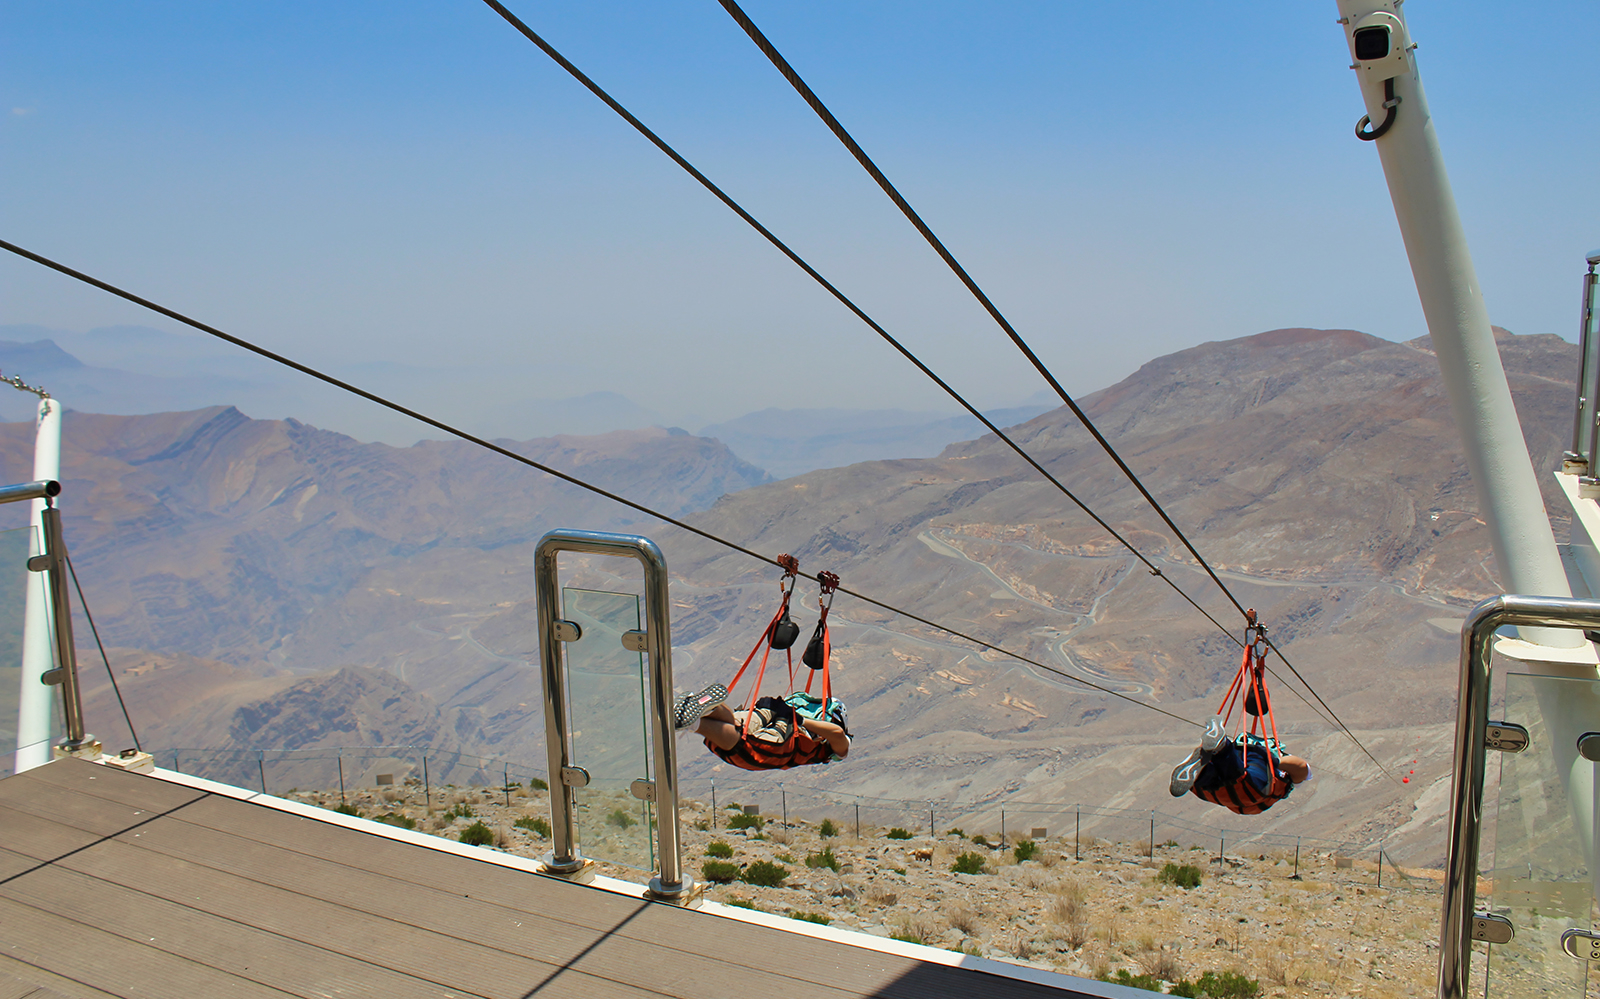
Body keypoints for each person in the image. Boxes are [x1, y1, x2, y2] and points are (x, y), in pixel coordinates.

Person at [672, 683, 850, 771]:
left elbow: (837, 733)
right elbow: (837, 732)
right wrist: (796, 719)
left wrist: (796, 718)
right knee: (745, 742)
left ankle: (706, 710)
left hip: (781, 720)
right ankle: (696, 721)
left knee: (739, 725)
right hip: (780, 739)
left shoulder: (829, 747)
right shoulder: (824, 749)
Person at [1170, 716, 1310, 815]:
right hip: (1226, 793)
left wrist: (1273, 762)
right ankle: (1207, 766)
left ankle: (1219, 751)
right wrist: (1273, 762)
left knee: (1236, 773)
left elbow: (1303, 768)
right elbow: (1302, 769)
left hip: (1251, 784)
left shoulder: (1275, 769)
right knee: (1221, 780)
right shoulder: (1278, 775)